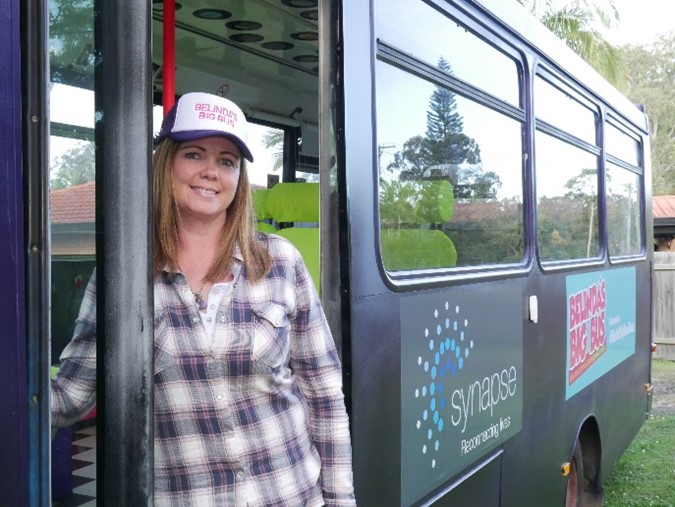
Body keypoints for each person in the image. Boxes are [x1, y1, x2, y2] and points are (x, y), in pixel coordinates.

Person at [51, 92, 356, 506]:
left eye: (227, 161)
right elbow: (70, 396)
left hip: (291, 494)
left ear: (238, 178)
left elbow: (324, 396)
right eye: (194, 154)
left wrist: (340, 500)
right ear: (166, 164)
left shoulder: (280, 261)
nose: (211, 171)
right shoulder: (122, 276)